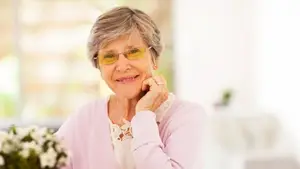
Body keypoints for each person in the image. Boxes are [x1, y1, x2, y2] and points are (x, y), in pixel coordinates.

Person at [56, 6, 206, 169]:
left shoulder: (186, 117)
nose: (121, 65)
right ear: (98, 66)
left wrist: (144, 114)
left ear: (154, 58)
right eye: (109, 57)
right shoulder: (85, 118)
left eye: (134, 52)